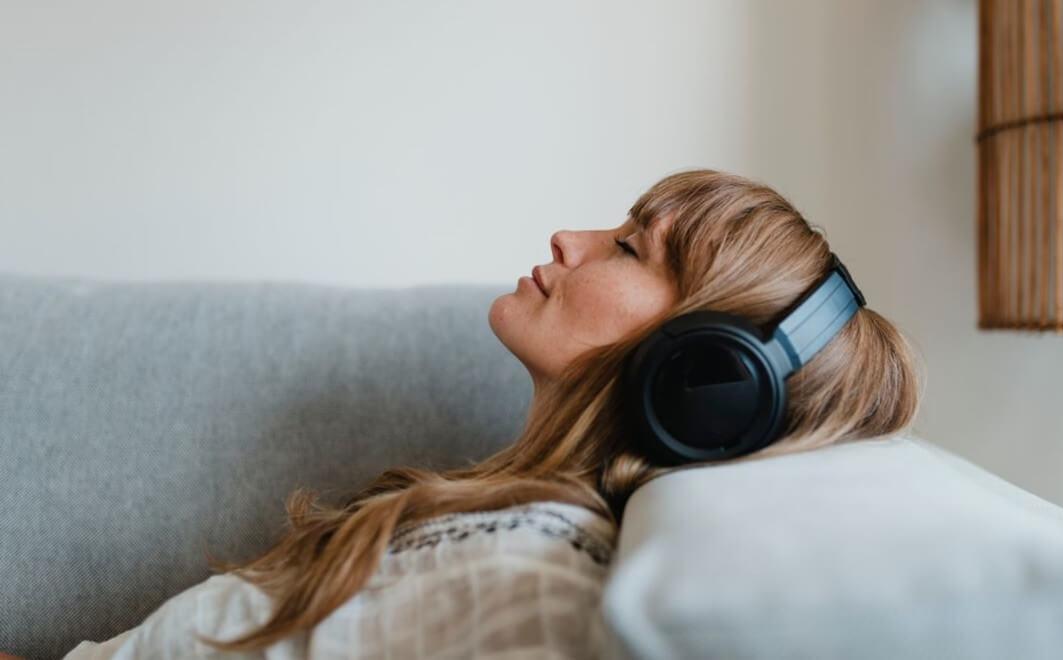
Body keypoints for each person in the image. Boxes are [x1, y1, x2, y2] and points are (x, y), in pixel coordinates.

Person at [55, 168, 923, 658]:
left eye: (627, 247)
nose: (567, 240)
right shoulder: (494, 523)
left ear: (706, 375)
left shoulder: (541, 585)